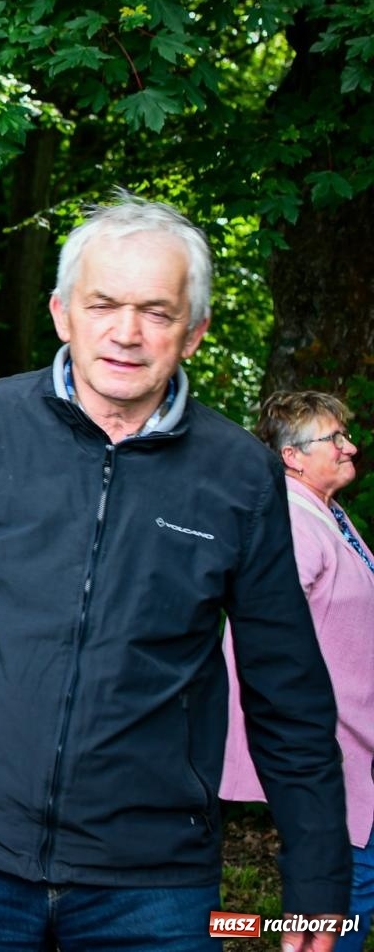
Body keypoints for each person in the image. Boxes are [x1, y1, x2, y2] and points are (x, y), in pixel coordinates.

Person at [0, 192, 349, 952]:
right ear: (62, 313)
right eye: (103, 305)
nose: (126, 333)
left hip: (152, 874)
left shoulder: (240, 476)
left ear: (194, 333)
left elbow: (286, 683)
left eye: (157, 312)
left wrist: (318, 878)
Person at [222, 391, 374, 952]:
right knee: (341, 901)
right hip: (328, 746)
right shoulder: (292, 523)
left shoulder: (328, 514)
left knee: (351, 890)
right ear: (293, 456)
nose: (349, 446)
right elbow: (260, 636)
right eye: (333, 439)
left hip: (357, 741)